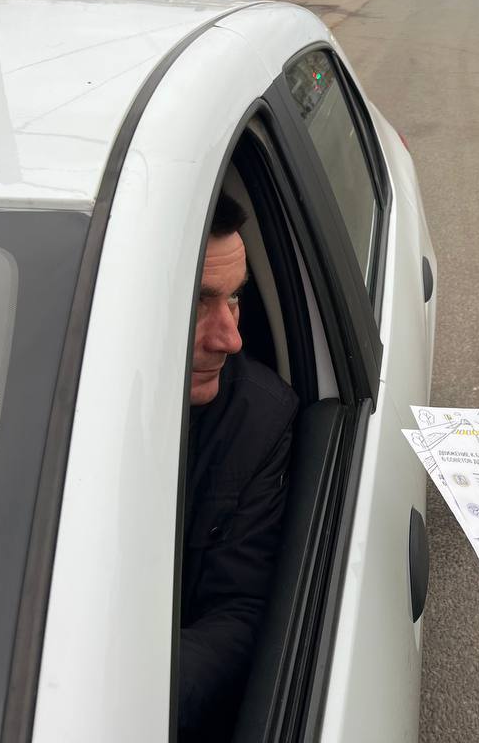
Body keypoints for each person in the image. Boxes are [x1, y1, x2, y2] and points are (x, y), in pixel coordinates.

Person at [179, 192, 297, 741]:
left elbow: (241, 608)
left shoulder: (257, 417)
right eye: (198, 303)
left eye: (236, 300)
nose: (230, 339)